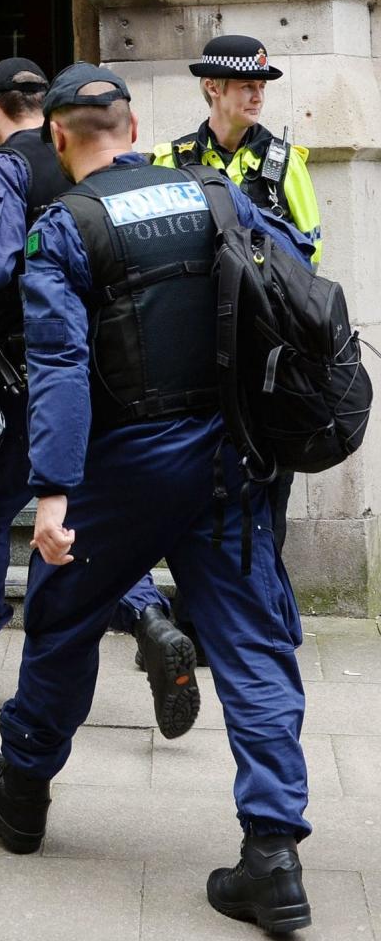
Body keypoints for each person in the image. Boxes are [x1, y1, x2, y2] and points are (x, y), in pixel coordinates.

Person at [0, 62, 315, 936]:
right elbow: (298, 273)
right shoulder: (214, 194)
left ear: (57, 136)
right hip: (229, 458)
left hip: (124, 468)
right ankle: (273, 854)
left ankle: (24, 786)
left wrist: (51, 493)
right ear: (134, 124)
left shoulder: (65, 228)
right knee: (252, 638)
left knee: (63, 613)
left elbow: (60, 369)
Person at [0, 58, 200, 742]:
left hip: (28, 373)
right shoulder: (104, 171)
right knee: (87, 524)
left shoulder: (4, 168)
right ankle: (150, 617)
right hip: (111, 376)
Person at [151, 33, 322, 555]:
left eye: (261, 86)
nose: (256, 96)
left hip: (265, 353)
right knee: (194, 484)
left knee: (271, 485)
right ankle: (200, 611)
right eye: (245, 85)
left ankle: (268, 610)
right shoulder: (169, 160)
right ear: (211, 87)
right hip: (194, 352)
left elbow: (309, 258)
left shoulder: (285, 162)